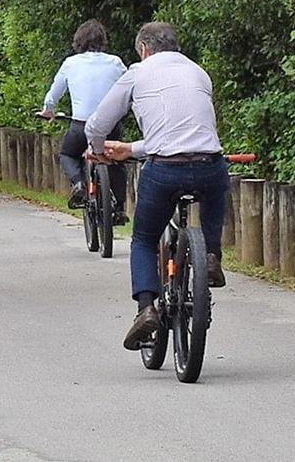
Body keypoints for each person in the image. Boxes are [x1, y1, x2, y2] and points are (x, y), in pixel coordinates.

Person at [85, 21, 228, 351]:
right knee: (215, 189)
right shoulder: (198, 72)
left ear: (144, 49)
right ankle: (211, 254)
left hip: (164, 169)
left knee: (144, 239)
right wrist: (133, 148)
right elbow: (187, 131)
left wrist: (98, 151)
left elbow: (98, 124)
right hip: (210, 163)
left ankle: (146, 308)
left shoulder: (138, 73)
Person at [38, 19, 129, 222]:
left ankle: (78, 183)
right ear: (103, 41)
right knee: (116, 161)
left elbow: (54, 93)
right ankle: (120, 208)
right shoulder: (115, 62)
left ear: (78, 41)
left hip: (81, 125)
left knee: (67, 154)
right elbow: (130, 86)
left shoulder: (71, 63)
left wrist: (48, 110)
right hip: (110, 125)